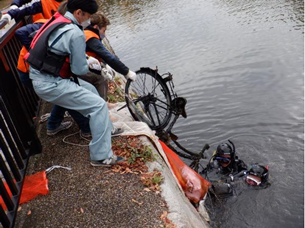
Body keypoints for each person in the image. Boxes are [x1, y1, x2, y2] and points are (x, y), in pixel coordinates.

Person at [27, 0, 134, 166]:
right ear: (79, 13)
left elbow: (60, 50)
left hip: (42, 77)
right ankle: (101, 156)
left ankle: (108, 129)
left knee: (91, 89)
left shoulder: (57, 20)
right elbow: (78, 70)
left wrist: (87, 58)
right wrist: (96, 67)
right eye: (88, 16)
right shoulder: (76, 32)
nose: (89, 20)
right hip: (50, 83)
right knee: (97, 105)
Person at [14, 1, 91, 136]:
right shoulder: (46, 24)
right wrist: (36, 52)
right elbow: (20, 32)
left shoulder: (61, 27)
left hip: (38, 70)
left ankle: (53, 124)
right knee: (66, 96)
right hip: (30, 71)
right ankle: (86, 129)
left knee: (63, 94)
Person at [78, 12, 136, 101]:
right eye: (104, 31)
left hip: (76, 66)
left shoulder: (86, 32)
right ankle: (101, 107)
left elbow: (99, 55)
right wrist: (126, 72)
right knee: (101, 79)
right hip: (79, 69)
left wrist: (105, 65)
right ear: (96, 27)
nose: (104, 35)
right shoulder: (91, 38)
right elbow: (108, 56)